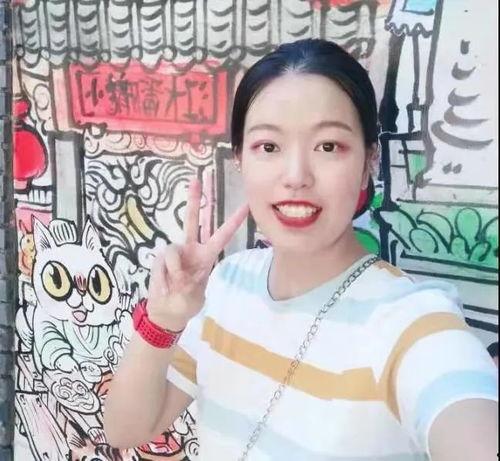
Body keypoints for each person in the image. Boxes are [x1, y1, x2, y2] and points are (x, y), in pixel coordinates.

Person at [104, 39, 498, 460]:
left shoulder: (410, 322)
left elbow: (464, 415)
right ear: (240, 158)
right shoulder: (227, 283)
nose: (296, 176)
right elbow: (126, 429)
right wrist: (163, 320)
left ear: (368, 161)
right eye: (268, 147)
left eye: (328, 146)